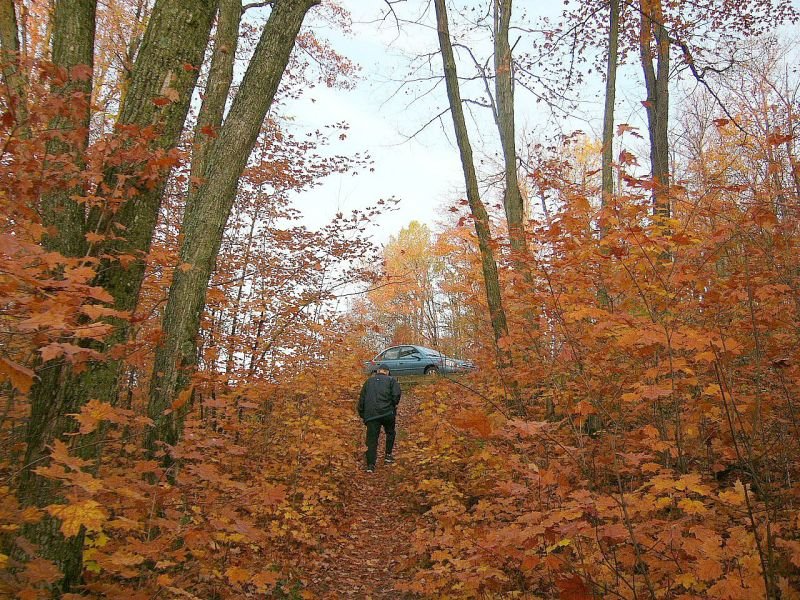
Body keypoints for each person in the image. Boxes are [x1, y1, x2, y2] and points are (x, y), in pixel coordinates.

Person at [357, 363, 401, 473]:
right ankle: (388, 455)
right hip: (387, 413)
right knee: (390, 432)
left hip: (371, 415)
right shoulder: (392, 380)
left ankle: (370, 465)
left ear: (378, 371)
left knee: (371, 440)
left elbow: (361, 399)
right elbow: (396, 396)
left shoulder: (368, 382)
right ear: (387, 372)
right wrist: (392, 405)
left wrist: (363, 415)